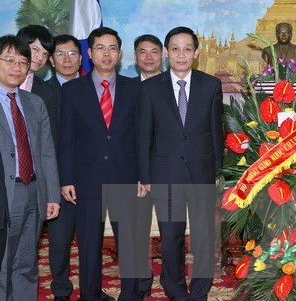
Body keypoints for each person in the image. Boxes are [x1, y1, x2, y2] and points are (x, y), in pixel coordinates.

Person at [138, 26, 224, 301]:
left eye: (188, 48)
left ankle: (199, 291)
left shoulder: (211, 85)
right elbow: (144, 136)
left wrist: (218, 173)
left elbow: (216, 132)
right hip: (166, 175)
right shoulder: (150, 88)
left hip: (201, 174)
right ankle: (175, 290)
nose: (181, 54)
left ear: (196, 52)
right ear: (166, 52)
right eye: (175, 48)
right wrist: (145, 174)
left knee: (203, 238)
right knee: (171, 238)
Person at [58, 27, 142, 301]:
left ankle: (130, 294)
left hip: (126, 176)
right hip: (86, 179)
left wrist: (144, 175)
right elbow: (66, 138)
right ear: (90, 53)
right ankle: (90, 295)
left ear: (119, 54)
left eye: (112, 48)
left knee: (129, 243)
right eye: (100, 48)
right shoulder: (72, 91)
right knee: (88, 244)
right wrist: (66, 178)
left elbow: (141, 137)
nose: (107, 54)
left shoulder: (135, 89)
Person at [0, 34, 60, 300]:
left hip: (33, 191)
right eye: (9, 60)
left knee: (26, 262)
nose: (16, 67)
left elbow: (47, 153)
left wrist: (51, 195)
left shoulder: (34, 103)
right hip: (5, 194)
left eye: (23, 62)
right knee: (2, 263)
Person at [45, 33, 82, 300]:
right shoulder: (42, 93)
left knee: (91, 240)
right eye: (60, 54)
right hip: (58, 179)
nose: (67, 60)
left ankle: (92, 287)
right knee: (59, 240)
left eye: (72, 54)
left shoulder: (96, 87)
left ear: (81, 58)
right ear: (50, 59)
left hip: (93, 177)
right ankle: (61, 290)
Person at [132, 33, 164, 297]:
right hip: (136, 172)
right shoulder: (127, 89)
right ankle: (141, 281)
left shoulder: (175, 87)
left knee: (172, 230)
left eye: (154, 51)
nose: (149, 57)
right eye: (143, 52)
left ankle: (172, 278)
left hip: (172, 171)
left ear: (162, 55)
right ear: (134, 58)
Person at [16, 25, 59, 146]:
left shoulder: (48, 92)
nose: (40, 58)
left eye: (45, 54)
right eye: (35, 49)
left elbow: (51, 139)